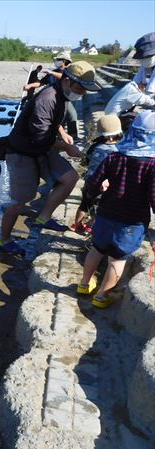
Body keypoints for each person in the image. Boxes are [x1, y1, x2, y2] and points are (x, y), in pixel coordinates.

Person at [0, 61, 101, 257]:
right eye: (80, 88)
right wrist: (66, 147)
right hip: (22, 152)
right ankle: (4, 239)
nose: (83, 93)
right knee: (20, 202)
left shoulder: (62, 94)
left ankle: (43, 217)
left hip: (42, 149)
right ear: (68, 81)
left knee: (70, 178)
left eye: (86, 90)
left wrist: (62, 133)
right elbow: (40, 137)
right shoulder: (46, 98)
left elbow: (53, 123)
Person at [76, 111, 155, 308]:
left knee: (97, 248)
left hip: (105, 213)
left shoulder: (115, 156)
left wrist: (90, 198)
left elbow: (93, 183)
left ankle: (84, 284)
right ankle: (102, 296)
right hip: (132, 220)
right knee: (117, 258)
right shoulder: (152, 164)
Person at [70, 115, 123, 235]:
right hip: (103, 185)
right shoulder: (117, 151)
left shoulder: (95, 146)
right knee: (99, 209)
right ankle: (90, 226)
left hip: (90, 181)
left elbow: (87, 161)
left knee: (84, 204)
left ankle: (77, 225)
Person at [133, 32, 155, 97]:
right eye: (142, 57)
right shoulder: (144, 65)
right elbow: (136, 81)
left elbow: (151, 89)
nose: (144, 59)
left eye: (148, 56)